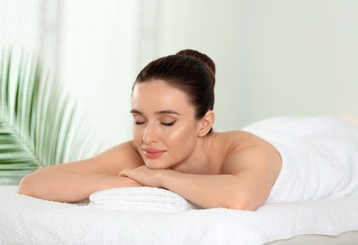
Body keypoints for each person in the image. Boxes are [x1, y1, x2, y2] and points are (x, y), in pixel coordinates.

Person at [19, 49, 358, 211]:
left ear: (204, 123)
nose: (148, 136)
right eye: (139, 119)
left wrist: (163, 179)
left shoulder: (248, 151)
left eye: (167, 121)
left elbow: (242, 197)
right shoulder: (139, 152)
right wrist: (133, 180)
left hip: (325, 148)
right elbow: (35, 183)